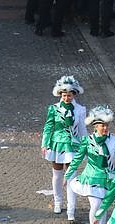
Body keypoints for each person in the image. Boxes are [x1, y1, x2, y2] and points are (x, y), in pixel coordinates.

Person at [65, 105, 115, 224]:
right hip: (91, 178)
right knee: (96, 206)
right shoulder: (87, 141)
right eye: (102, 125)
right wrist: (67, 175)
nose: (105, 128)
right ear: (95, 126)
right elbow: (77, 158)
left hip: (108, 179)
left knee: (103, 209)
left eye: (107, 125)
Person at [40, 76, 86, 215]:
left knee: (71, 176)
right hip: (57, 144)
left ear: (74, 94)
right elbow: (48, 127)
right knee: (57, 175)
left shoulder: (80, 110)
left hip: (73, 145)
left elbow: (83, 129)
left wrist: (86, 145)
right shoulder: (53, 109)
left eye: (69, 95)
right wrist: (44, 143)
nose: (67, 98)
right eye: (64, 95)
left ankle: (71, 209)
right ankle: (58, 202)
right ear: (60, 94)